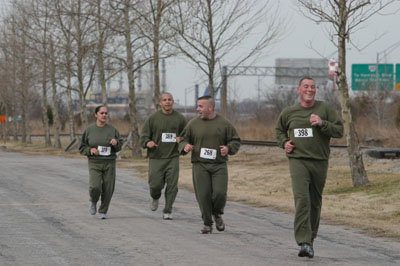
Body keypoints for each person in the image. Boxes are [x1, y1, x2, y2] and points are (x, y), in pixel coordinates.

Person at [275, 77, 344, 258]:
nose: (310, 89)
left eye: (313, 87)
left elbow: (339, 131)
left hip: (320, 160)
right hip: (298, 160)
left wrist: (322, 123)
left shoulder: (325, 109)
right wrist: (284, 143)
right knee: (302, 199)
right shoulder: (290, 112)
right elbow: (279, 130)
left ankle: (310, 239)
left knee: (315, 202)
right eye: (306, 86)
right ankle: (303, 241)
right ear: (299, 90)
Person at [179, 95, 240, 234]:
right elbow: (182, 139)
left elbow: (235, 140)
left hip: (219, 165)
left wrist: (228, 148)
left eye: (201, 106)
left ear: (210, 107)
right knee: (203, 195)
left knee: (219, 193)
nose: (197, 109)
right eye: (197, 106)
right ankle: (207, 223)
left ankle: (217, 213)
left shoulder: (224, 124)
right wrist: (185, 146)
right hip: (200, 165)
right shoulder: (193, 124)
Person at [139, 92, 187, 220]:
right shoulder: (153, 118)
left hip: (173, 157)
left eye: (169, 100)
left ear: (173, 102)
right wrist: (147, 143)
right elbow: (143, 136)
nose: (167, 102)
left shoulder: (180, 118)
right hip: (156, 157)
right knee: (155, 185)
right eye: (164, 100)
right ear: (160, 103)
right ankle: (155, 196)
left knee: (172, 185)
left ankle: (168, 209)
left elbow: (187, 135)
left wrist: (181, 139)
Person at [79, 105, 123, 219]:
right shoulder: (89, 130)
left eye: (106, 113)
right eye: (101, 113)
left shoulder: (112, 130)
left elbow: (120, 146)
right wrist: (90, 150)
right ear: (96, 115)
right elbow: (82, 147)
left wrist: (116, 143)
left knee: (108, 188)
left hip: (109, 162)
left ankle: (103, 210)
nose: (104, 115)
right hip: (95, 162)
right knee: (95, 187)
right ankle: (93, 200)